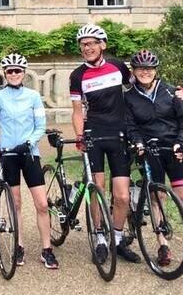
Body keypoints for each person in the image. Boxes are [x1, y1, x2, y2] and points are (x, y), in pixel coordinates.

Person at [124, 49, 183, 271]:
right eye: (140, 68)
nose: (145, 72)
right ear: (134, 71)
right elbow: (131, 126)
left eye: (149, 68)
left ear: (155, 70)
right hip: (150, 152)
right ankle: (163, 245)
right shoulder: (129, 97)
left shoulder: (172, 92)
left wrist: (181, 141)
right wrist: (137, 142)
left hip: (175, 150)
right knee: (157, 198)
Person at [0, 54, 58, 269]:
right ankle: (19, 245)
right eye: (9, 71)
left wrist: (29, 142)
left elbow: (40, 126)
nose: (13, 74)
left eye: (17, 71)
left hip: (29, 154)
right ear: (5, 74)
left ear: (24, 73)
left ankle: (47, 249)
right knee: (16, 203)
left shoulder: (33, 96)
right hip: (8, 155)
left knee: (41, 203)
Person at [69, 23, 141, 264]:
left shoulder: (118, 66)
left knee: (121, 196)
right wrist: (80, 136)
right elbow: (77, 111)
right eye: (83, 45)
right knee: (97, 189)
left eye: (91, 43)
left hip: (119, 134)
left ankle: (117, 238)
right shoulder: (77, 75)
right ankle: (100, 237)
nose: (87, 48)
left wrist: (172, 93)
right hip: (94, 135)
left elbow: (140, 87)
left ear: (103, 45)